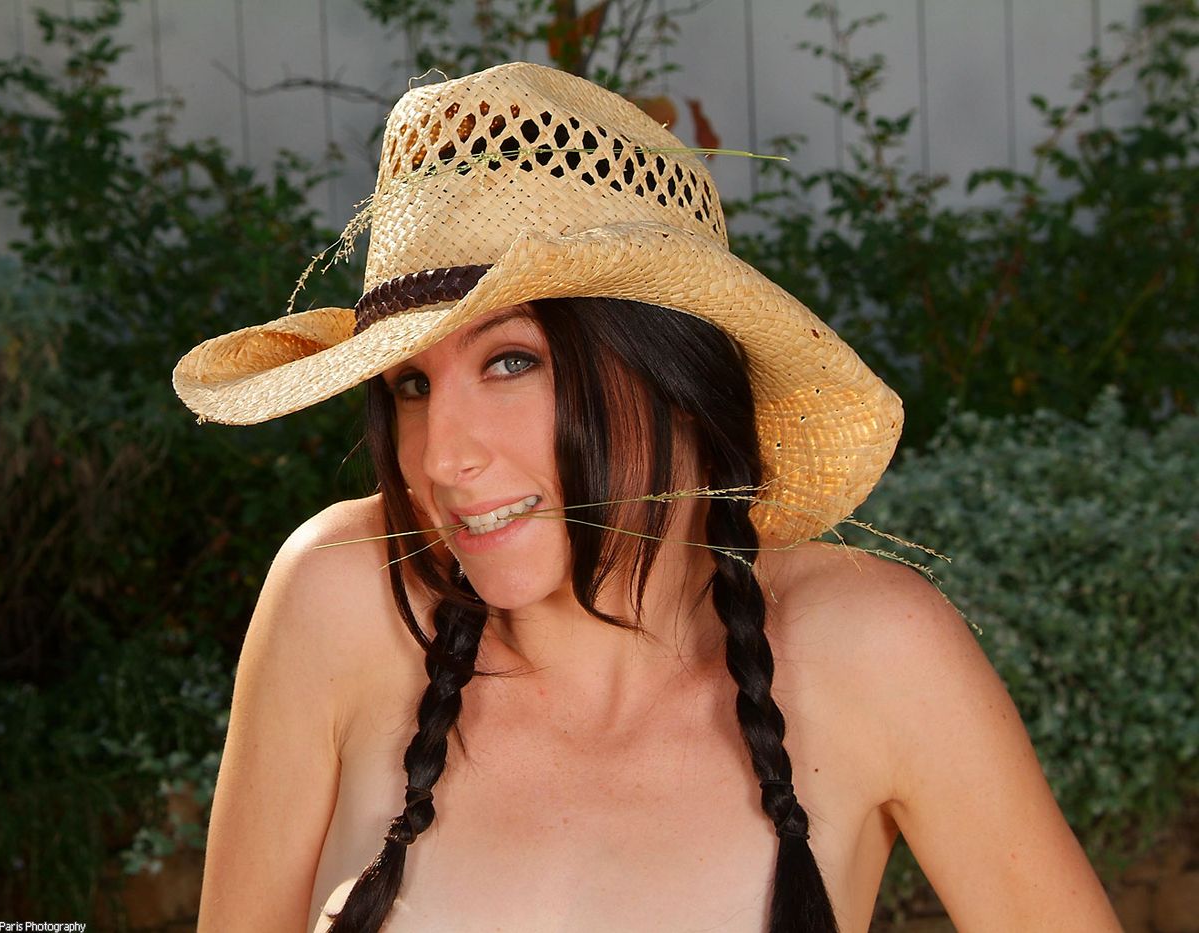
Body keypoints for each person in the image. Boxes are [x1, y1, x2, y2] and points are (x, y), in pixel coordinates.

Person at [173, 63, 1120, 933]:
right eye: (411, 385)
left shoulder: (873, 652)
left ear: (674, 375)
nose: (442, 458)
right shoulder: (342, 597)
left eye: (511, 361)